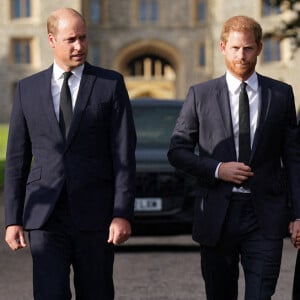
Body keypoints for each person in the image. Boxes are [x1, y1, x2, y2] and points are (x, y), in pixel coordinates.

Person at [4, 7, 136, 300]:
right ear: (51, 40)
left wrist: (121, 213)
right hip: (45, 216)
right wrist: (12, 219)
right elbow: (16, 160)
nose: (80, 46)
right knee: (49, 294)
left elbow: (124, 155)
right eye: (71, 39)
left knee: (96, 293)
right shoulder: (28, 89)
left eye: (84, 38)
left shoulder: (110, 84)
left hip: (96, 215)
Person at [168, 15, 300, 300]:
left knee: (260, 295)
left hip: (264, 215)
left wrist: (298, 214)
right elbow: (177, 151)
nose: (242, 55)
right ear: (223, 47)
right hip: (217, 214)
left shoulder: (281, 95)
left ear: (260, 48)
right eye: (236, 48)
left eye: (248, 48)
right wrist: (217, 169)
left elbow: (293, 159)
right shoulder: (199, 95)